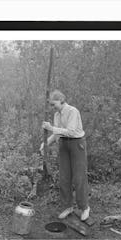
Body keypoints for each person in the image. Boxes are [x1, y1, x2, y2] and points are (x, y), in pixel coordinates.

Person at [39, 89, 90, 221]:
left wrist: (51, 128)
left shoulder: (73, 111)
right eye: (51, 104)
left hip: (77, 144)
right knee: (64, 178)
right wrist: (46, 143)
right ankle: (68, 206)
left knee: (79, 178)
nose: (52, 107)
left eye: (53, 104)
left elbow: (71, 132)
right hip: (63, 145)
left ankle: (84, 207)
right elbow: (57, 133)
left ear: (61, 100)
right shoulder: (57, 115)